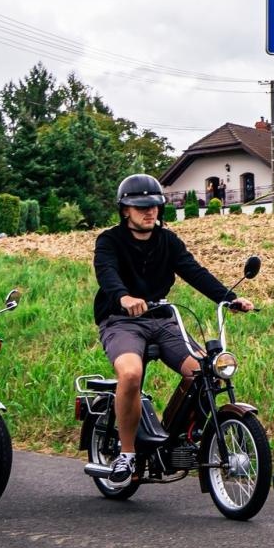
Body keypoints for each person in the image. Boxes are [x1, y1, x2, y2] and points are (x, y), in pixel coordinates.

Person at [92, 174, 254, 478]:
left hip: (163, 319)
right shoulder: (109, 240)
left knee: (205, 373)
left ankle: (173, 434)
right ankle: (127, 453)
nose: (148, 212)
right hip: (122, 322)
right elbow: (107, 273)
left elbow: (194, 271)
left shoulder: (168, 240)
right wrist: (124, 297)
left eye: (153, 206)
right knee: (130, 374)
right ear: (125, 209)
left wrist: (229, 298)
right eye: (140, 207)